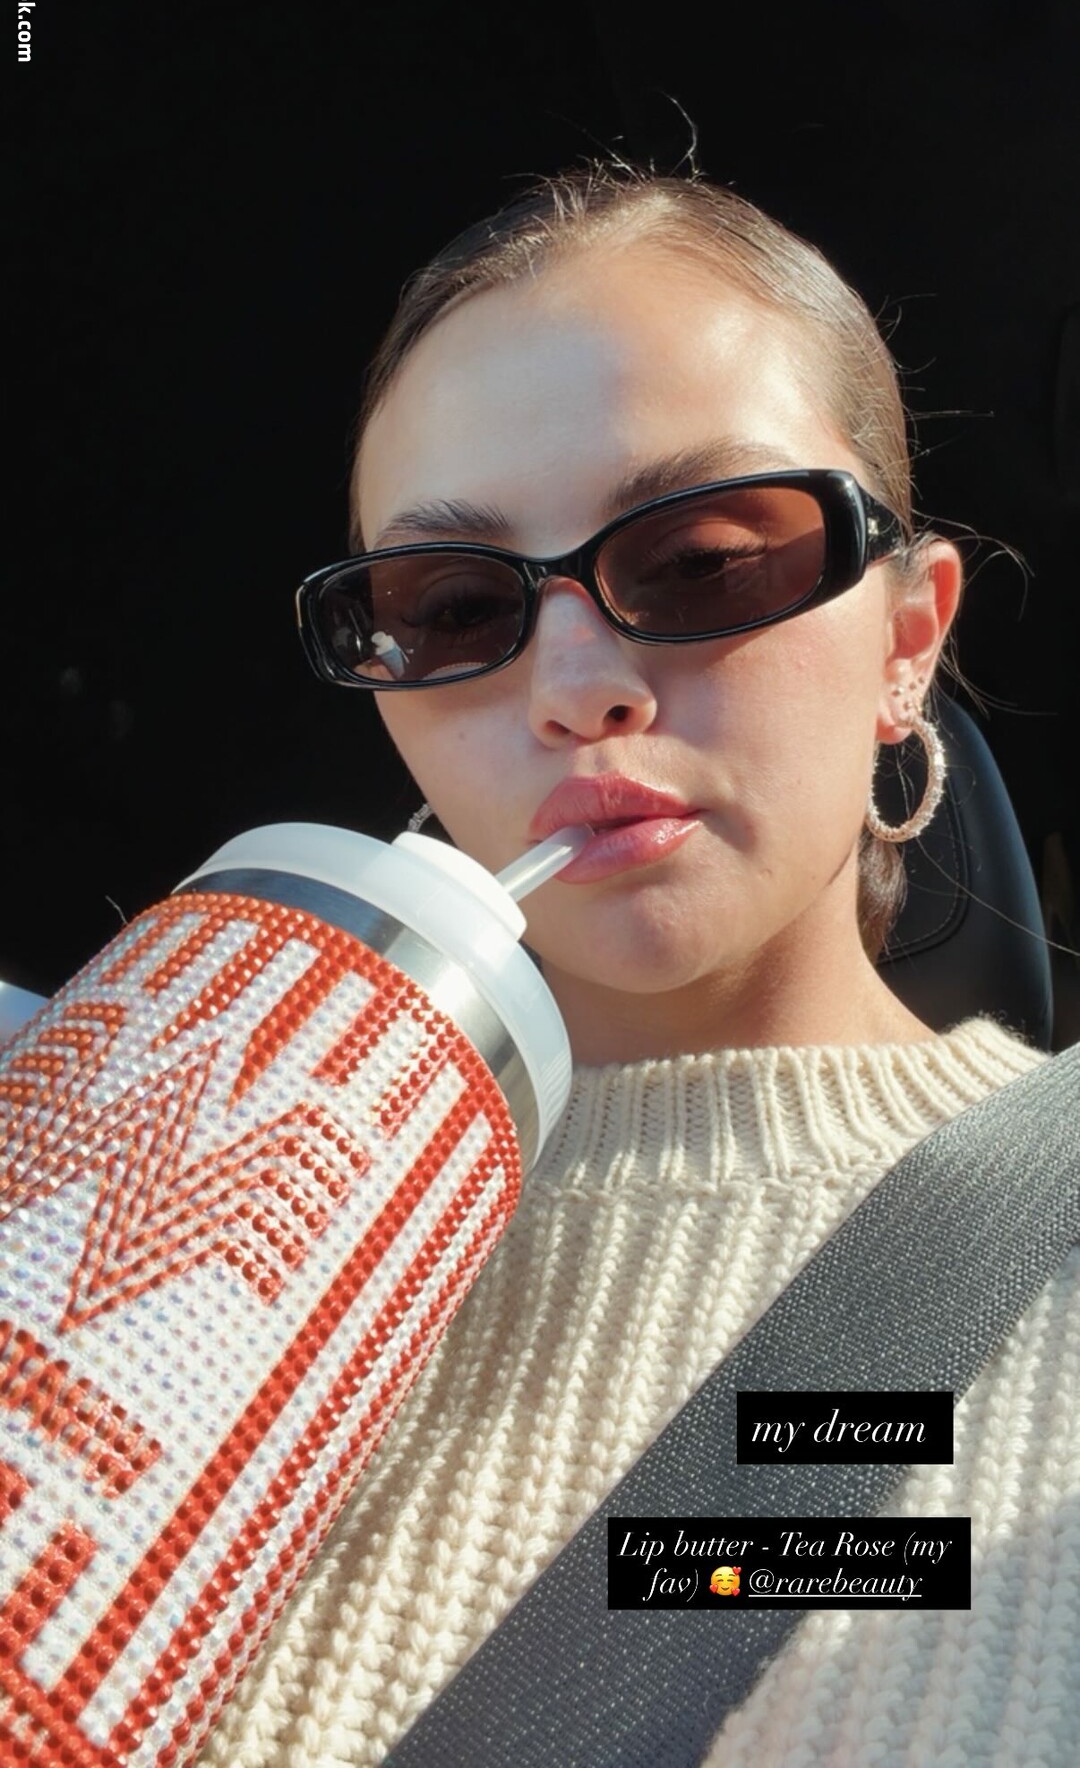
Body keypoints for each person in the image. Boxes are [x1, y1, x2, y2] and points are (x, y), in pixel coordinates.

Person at [199, 166, 1078, 1766]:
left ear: (907, 640)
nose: (576, 685)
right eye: (453, 606)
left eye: (703, 562)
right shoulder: (157, 1231)